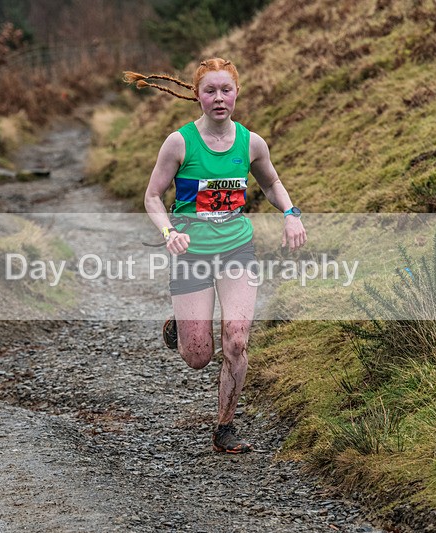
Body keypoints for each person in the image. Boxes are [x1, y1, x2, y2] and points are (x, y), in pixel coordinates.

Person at [126, 58, 306, 453]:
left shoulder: (251, 143)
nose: (219, 98)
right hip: (191, 253)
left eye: (226, 90)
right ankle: (182, 320)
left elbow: (271, 180)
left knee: (237, 342)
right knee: (197, 355)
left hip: (236, 249)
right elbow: (152, 196)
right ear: (197, 96)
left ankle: (225, 429)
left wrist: (290, 213)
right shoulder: (179, 143)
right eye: (210, 91)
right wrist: (168, 231)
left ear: (237, 93)